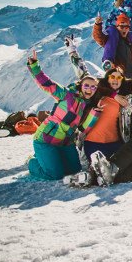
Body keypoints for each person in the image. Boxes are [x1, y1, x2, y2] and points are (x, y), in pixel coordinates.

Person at [25, 49, 100, 181]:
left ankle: (50, 159)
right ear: (81, 86)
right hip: (46, 140)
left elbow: (84, 127)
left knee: (74, 170)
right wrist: (34, 66)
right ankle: (32, 162)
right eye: (87, 85)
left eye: (93, 87)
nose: (90, 89)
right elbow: (47, 84)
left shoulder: (86, 104)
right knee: (55, 175)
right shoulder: (67, 95)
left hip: (65, 142)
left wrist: (96, 112)